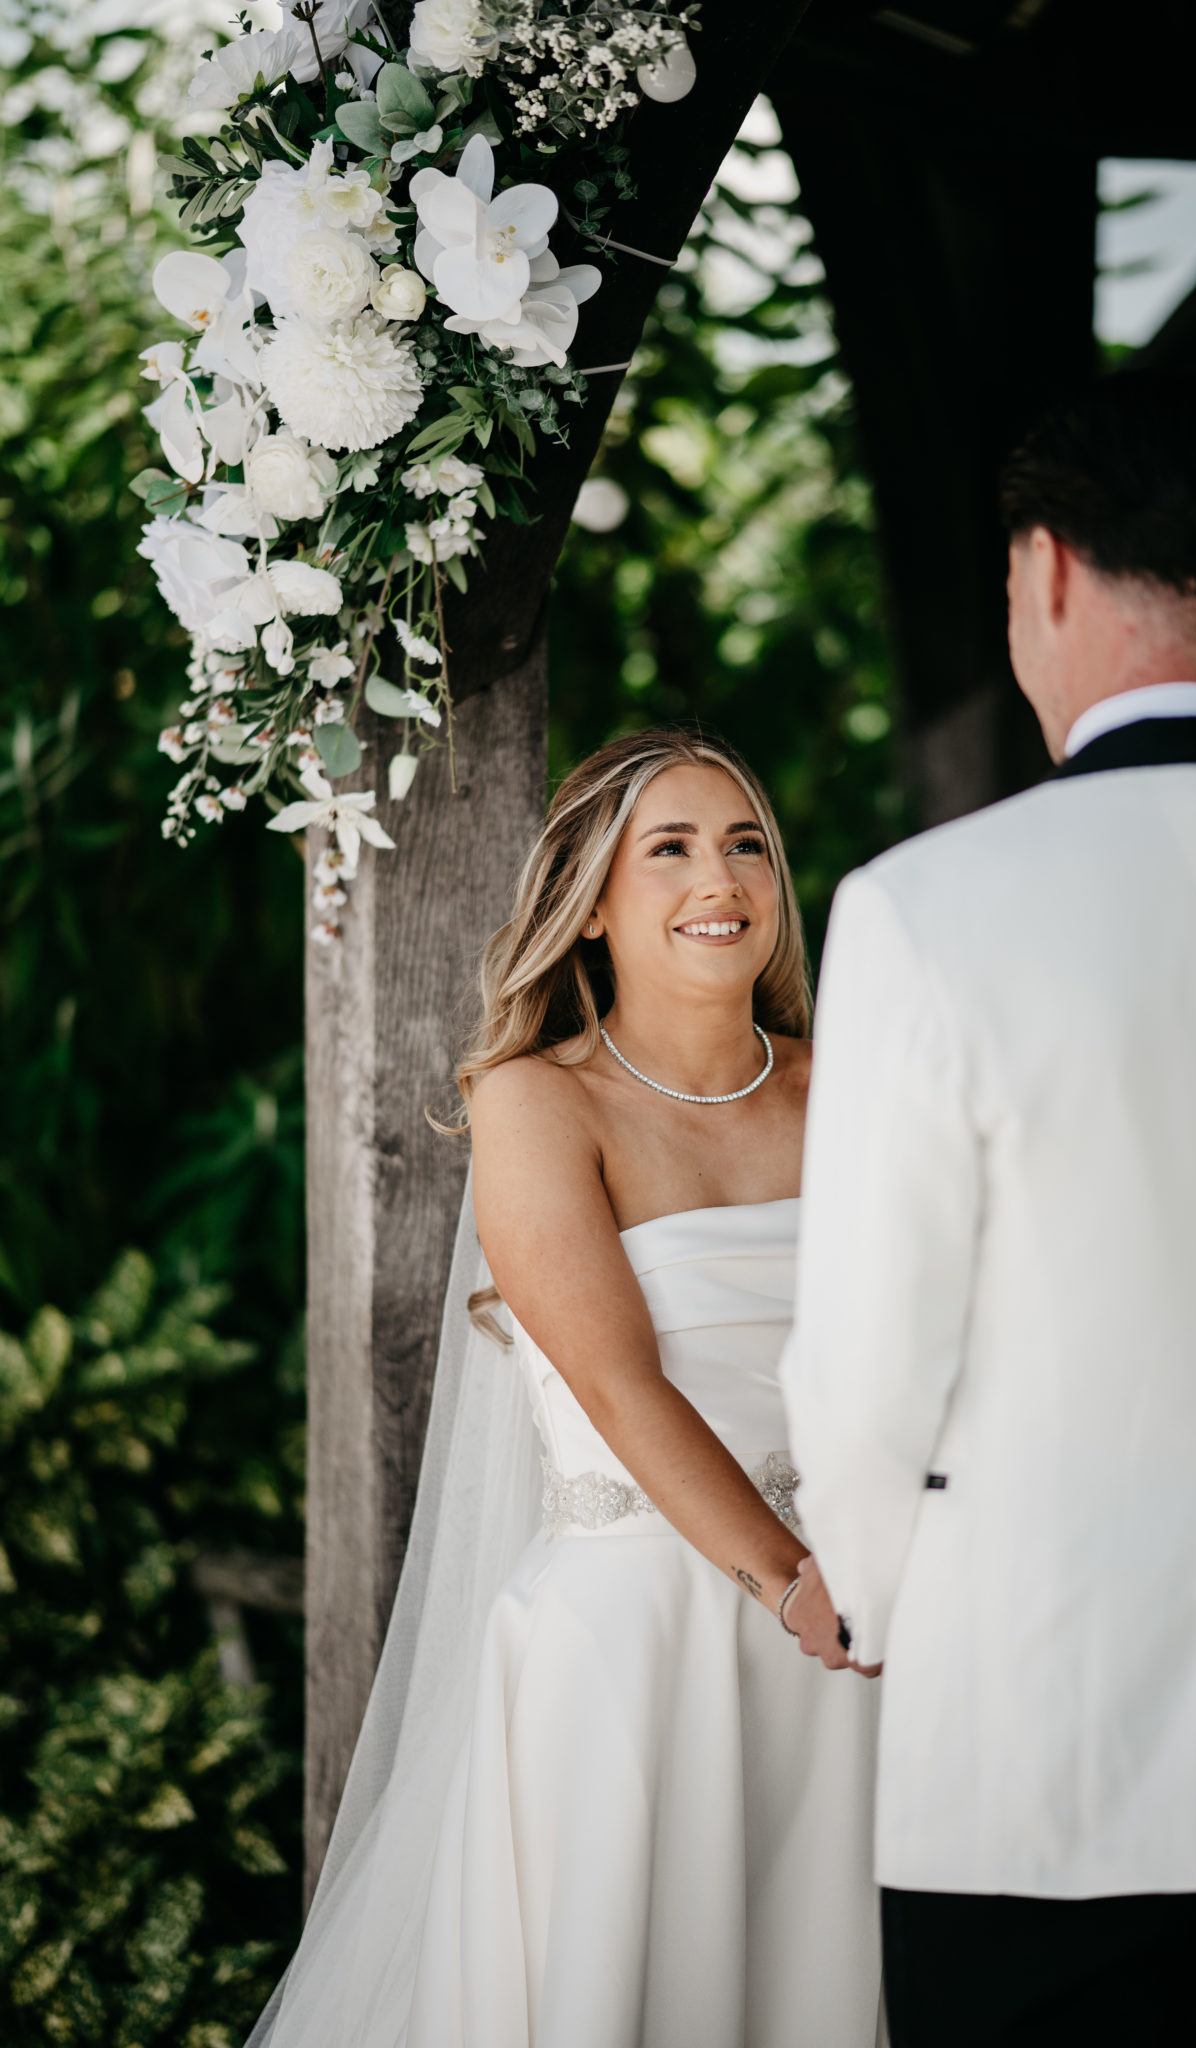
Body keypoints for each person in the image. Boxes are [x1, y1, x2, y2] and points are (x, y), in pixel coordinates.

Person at [781, 370, 1196, 2042]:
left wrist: (889, 1609)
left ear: (1040, 567)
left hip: (1041, 1743)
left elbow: (866, 1370)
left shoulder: (926, 912)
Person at [248, 729, 883, 2048]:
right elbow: (611, 1377)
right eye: (670, 849)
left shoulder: (858, 1091)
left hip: (857, 1627)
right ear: (590, 903)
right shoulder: (537, 1102)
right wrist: (787, 1581)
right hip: (645, 1637)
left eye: (744, 842)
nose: (720, 877)